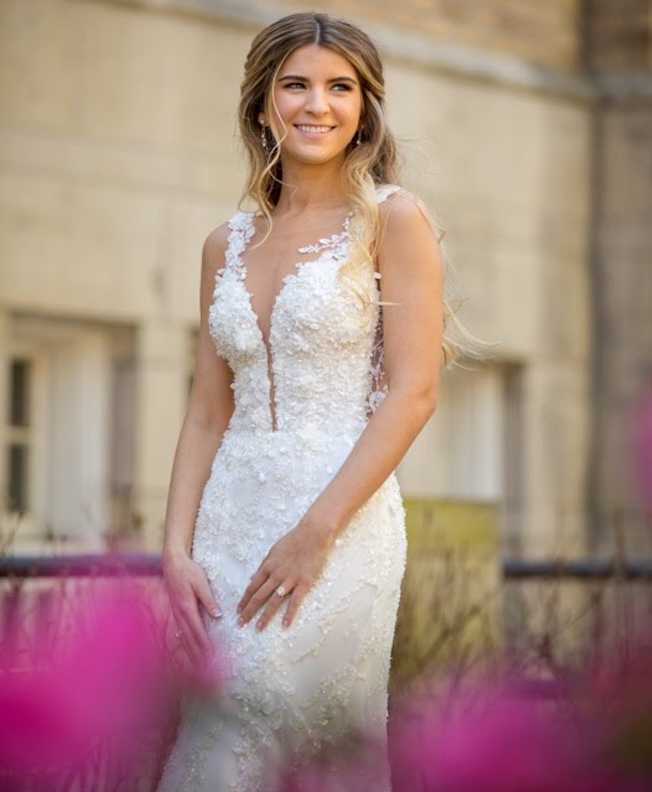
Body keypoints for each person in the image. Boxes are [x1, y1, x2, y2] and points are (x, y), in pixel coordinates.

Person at [158, 11, 454, 791]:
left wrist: (315, 532)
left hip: (340, 519)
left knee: (291, 728)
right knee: (218, 720)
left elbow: (414, 394)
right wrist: (175, 551)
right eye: (295, 85)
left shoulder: (393, 219)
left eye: (339, 87)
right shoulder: (225, 243)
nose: (316, 105)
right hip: (229, 522)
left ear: (364, 107)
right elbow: (205, 412)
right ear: (263, 103)